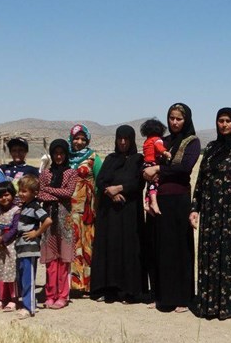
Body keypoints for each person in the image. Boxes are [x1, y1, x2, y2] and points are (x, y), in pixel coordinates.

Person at [190, 107, 231, 320]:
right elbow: (201, 180)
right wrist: (195, 208)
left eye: (228, 121)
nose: (224, 124)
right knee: (209, 255)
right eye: (221, 121)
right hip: (210, 211)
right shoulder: (211, 147)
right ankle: (210, 304)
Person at [142, 103, 200, 313]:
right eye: (171, 118)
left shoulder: (192, 142)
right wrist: (146, 174)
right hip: (158, 200)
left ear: (186, 120)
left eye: (179, 119)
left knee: (178, 249)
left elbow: (184, 167)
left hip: (178, 200)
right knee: (158, 247)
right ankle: (159, 295)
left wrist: (159, 168)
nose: (174, 122)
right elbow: (147, 164)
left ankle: (182, 297)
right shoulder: (162, 141)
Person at [90, 125, 146, 303]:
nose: (122, 142)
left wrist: (119, 188)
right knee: (110, 247)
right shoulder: (110, 159)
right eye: (119, 139)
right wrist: (110, 192)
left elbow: (138, 183)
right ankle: (109, 289)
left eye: (126, 139)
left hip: (129, 212)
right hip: (109, 213)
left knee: (128, 248)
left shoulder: (138, 159)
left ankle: (129, 291)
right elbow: (100, 180)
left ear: (132, 140)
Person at [38, 139, 78, 309]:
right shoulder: (45, 173)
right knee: (51, 258)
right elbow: (40, 195)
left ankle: (62, 295)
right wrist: (56, 193)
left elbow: (68, 193)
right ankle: (50, 295)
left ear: (66, 154)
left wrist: (48, 189)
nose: (59, 156)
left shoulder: (71, 173)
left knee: (63, 258)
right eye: (55, 153)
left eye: (62, 153)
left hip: (64, 220)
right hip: (48, 219)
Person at [66, 124, 103, 294]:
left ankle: (88, 284)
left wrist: (97, 206)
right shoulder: (64, 157)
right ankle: (72, 284)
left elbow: (100, 182)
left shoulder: (94, 158)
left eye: (83, 139)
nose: (79, 142)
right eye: (76, 138)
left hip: (87, 210)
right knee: (71, 244)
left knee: (87, 244)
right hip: (68, 209)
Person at [15, 174, 52, 320]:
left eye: (24, 191)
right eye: (20, 190)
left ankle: (28, 308)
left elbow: (48, 221)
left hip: (29, 248)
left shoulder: (35, 207)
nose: (21, 193)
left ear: (34, 192)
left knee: (28, 278)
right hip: (22, 247)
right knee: (22, 276)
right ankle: (29, 302)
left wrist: (36, 233)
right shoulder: (25, 206)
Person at [0, 182, 20, 312]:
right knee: (0, 272)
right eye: (0, 196)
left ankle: (13, 299)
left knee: (10, 272)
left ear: (12, 194)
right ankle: (1, 298)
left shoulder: (16, 210)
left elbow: (15, 228)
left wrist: (3, 239)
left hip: (10, 245)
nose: (4, 198)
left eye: (6, 195)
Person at [140, 119, 171, 215]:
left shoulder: (146, 141)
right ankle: (153, 202)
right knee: (154, 183)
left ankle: (146, 203)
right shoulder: (157, 139)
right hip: (153, 164)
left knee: (149, 185)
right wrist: (165, 152)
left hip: (146, 164)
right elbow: (159, 147)